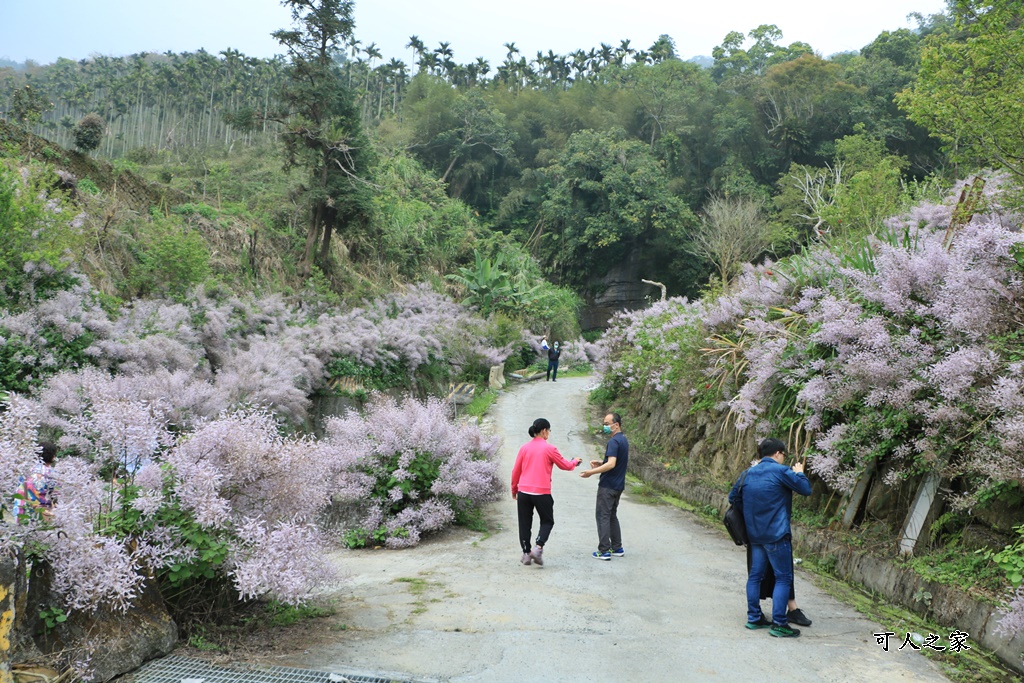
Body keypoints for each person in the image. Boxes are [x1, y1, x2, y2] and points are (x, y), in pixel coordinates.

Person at [729, 437, 811, 637]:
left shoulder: (748, 473)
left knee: (755, 576)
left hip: (755, 535)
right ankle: (780, 623)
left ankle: (754, 617)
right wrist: (799, 473)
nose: (783, 458)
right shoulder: (782, 471)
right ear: (778, 454)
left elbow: (733, 498)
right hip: (776, 534)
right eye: (783, 454)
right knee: (783, 577)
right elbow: (805, 490)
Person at [510, 418, 583, 566]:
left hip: (524, 491)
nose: (549, 433)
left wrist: (514, 489)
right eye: (549, 431)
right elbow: (566, 465)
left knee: (524, 523)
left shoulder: (524, 448)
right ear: (544, 431)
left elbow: (516, 470)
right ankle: (538, 548)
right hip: (541, 492)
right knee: (547, 520)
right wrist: (575, 461)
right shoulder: (550, 449)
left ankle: (526, 554)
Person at [580, 413, 628, 560]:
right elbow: (615, 462)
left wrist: (591, 472)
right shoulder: (623, 440)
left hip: (608, 486)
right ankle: (617, 547)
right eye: (604, 423)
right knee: (612, 515)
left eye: (608, 423)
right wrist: (602, 463)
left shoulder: (613, 442)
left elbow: (612, 464)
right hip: (618, 485)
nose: (605, 426)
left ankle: (604, 550)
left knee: (602, 516)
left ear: (616, 425)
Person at [12, 442, 58, 522]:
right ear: (53, 457)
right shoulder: (51, 474)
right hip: (41, 513)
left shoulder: (26, 470)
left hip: (20, 510)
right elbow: (54, 495)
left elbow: (19, 488)